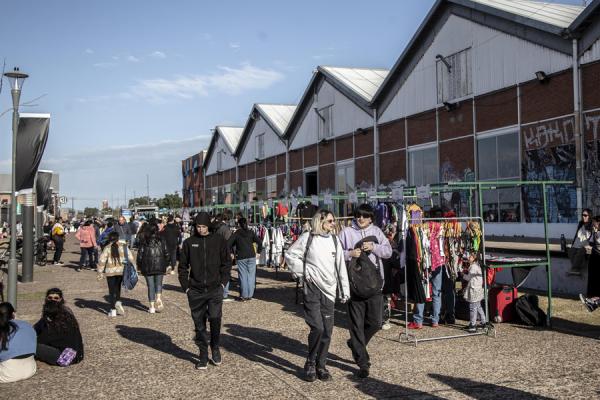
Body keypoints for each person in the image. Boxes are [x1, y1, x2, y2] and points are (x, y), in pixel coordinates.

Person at [285, 210, 350, 382]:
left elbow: (340, 267)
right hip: (312, 288)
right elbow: (290, 255)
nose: (333, 224)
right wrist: (303, 272)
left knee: (328, 331)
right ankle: (310, 362)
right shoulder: (308, 237)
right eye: (330, 221)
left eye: (333, 221)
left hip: (329, 290)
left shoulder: (335, 241)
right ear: (320, 221)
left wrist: (344, 290)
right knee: (318, 327)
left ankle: (321, 365)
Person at [339, 204, 392, 379]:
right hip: (354, 286)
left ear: (371, 218)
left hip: (374, 285)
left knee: (376, 322)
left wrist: (375, 248)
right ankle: (363, 362)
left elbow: (389, 252)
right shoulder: (346, 232)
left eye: (365, 216)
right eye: (358, 215)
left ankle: (355, 344)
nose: (360, 219)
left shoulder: (376, 232)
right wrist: (349, 254)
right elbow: (336, 253)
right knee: (356, 325)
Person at [178, 212, 231, 370]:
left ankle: (215, 347)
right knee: (199, 325)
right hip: (196, 291)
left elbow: (226, 263)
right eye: (198, 226)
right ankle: (203, 354)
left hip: (215, 289)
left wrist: (223, 283)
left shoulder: (219, 241)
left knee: (215, 319)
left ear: (209, 226)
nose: (200, 229)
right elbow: (182, 267)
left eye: (203, 226)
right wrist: (186, 287)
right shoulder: (189, 243)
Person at [34, 288, 84, 366]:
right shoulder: (61, 311)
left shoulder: (62, 317)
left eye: (56, 298)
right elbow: (36, 327)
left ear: (60, 299)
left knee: (32, 346)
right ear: (46, 298)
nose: (52, 300)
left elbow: (46, 338)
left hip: (66, 356)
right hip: (73, 353)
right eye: (50, 298)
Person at [97, 232, 136, 317]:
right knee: (118, 288)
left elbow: (102, 261)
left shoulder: (107, 248)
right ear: (118, 238)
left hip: (110, 272)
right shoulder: (124, 246)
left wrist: (100, 272)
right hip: (121, 271)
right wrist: (134, 269)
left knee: (111, 291)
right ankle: (118, 302)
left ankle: (113, 310)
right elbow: (131, 258)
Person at [0, 302, 36, 383]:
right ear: (13, 314)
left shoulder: (2, 328)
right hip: (30, 369)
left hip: (7, 374)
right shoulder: (27, 325)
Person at [228, 218, 262, 301]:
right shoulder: (251, 232)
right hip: (251, 256)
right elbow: (260, 242)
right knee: (251, 276)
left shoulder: (236, 233)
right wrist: (258, 252)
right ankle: (250, 295)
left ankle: (244, 295)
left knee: (243, 276)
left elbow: (228, 244)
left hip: (241, 257)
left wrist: (231, 253)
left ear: (239, 224)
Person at [138, 223, 169, 313]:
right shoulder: (162, 240)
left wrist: (139, 266)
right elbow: (167, 253)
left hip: (147, 266)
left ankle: (151, 307)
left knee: (150, 286)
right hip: (160, 265)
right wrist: (166, 264)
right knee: (159, 283)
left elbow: (140, 255)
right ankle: (158, 298)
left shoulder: (144, 241)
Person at [579, 215, 600, 311]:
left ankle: (593, 302)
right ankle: (592, 302)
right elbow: (590, 243)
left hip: (598, 258)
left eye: (594, 222)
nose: (593, 224)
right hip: (594, 258)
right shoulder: (595, 232)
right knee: (593, 280)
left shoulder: (597, 233)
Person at [462, 253, 486, 333]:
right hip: (478, 288)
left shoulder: (473, 267)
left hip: (474, 289)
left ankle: (473, 324)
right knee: (478, 306)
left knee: (473, 307)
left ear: (474, 258)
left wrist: (462, 275)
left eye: (471, 256)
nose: (469, 257)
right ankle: (483, 321)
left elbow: (468, 278)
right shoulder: (476, 266)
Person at [212, 214, 233, 302]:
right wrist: (231, 253)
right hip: (224, 253)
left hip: (214, 252)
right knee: (225, 272)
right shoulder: (225, 229)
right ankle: (224, 294)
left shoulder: (213, 227)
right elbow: (229, 242)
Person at [569, 208, 593, 275]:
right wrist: (573, 243)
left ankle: (575, 268)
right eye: (583, 215)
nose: (583, 216)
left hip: (584, 244)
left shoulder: (591, 225)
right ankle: (578, 267)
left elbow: (590, 236)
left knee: (580, 251)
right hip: (577, 243)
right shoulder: (580, 223)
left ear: (589, 216)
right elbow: (576, 234)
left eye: (585, 215)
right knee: (571, 251)